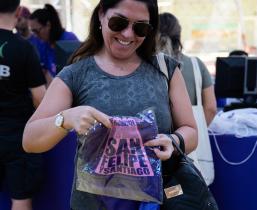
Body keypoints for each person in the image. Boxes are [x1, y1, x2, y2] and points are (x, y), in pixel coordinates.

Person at [22, 0, 197, 209]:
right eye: (118, 22)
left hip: (158, 202)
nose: (128, 34)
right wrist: (66, 119)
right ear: (101, 15)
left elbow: (191, 131)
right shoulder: (77, 74)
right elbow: (30, 140)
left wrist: (173, 141)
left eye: (140, 27)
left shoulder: (165, 69)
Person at [0, 1, 46, 210]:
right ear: (18, 12)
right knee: (20, 199)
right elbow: (40, 99)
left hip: (17, 138)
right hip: (18, 138)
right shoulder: (23, 47)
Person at [157, 12, 217, 125]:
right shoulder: (196, 65)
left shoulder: (147, 65)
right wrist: (195, 132)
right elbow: (211, 108)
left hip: (158, 138)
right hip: (192, 139)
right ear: (179, 35)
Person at [29, 4, 79, 83]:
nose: (35, 35)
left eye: (36, 31)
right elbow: (44, 72)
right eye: (33, 32)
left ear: (48, 25)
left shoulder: (69, 39)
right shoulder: (42, 44)